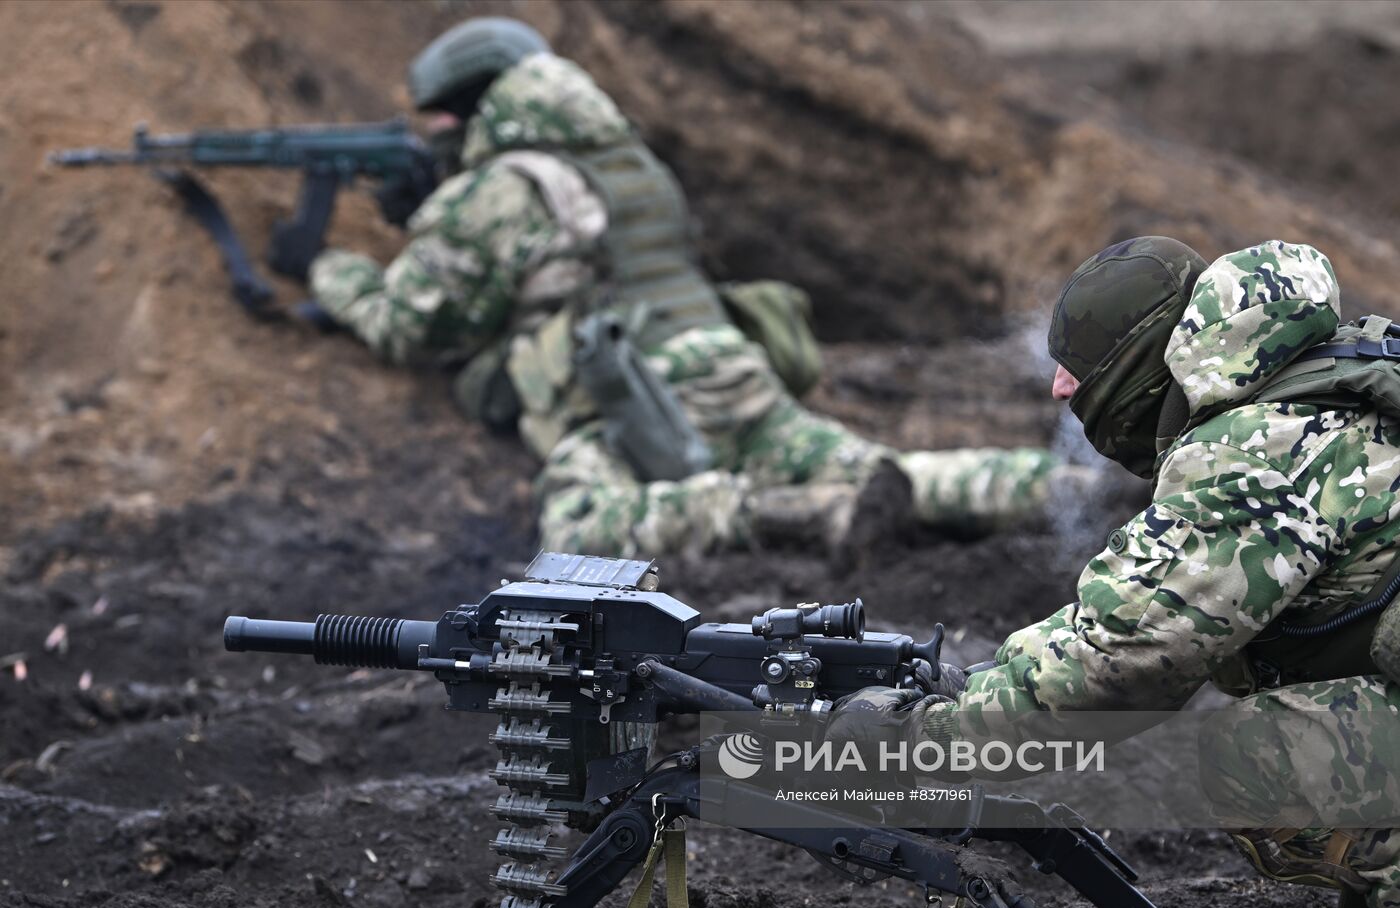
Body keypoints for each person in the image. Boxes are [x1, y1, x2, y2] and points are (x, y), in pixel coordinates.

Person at [308, 17, 1085, 560]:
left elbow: (410, 325)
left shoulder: (501, 188)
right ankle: (1076, 487)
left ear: (476, 108)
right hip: (732, 367)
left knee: (581, 525)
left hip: (638, 395)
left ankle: (792, 515)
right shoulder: (630, 162)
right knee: (879, 465)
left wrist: (327, 269)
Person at [832, 237, 1400, 908]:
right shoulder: (1336, 376)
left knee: (1263, 757)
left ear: (1138, 366)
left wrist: (922, 738)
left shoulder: (1250, 451)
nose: (1060, 387)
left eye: (1080, 366)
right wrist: (975, 681)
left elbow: (1119, 662)